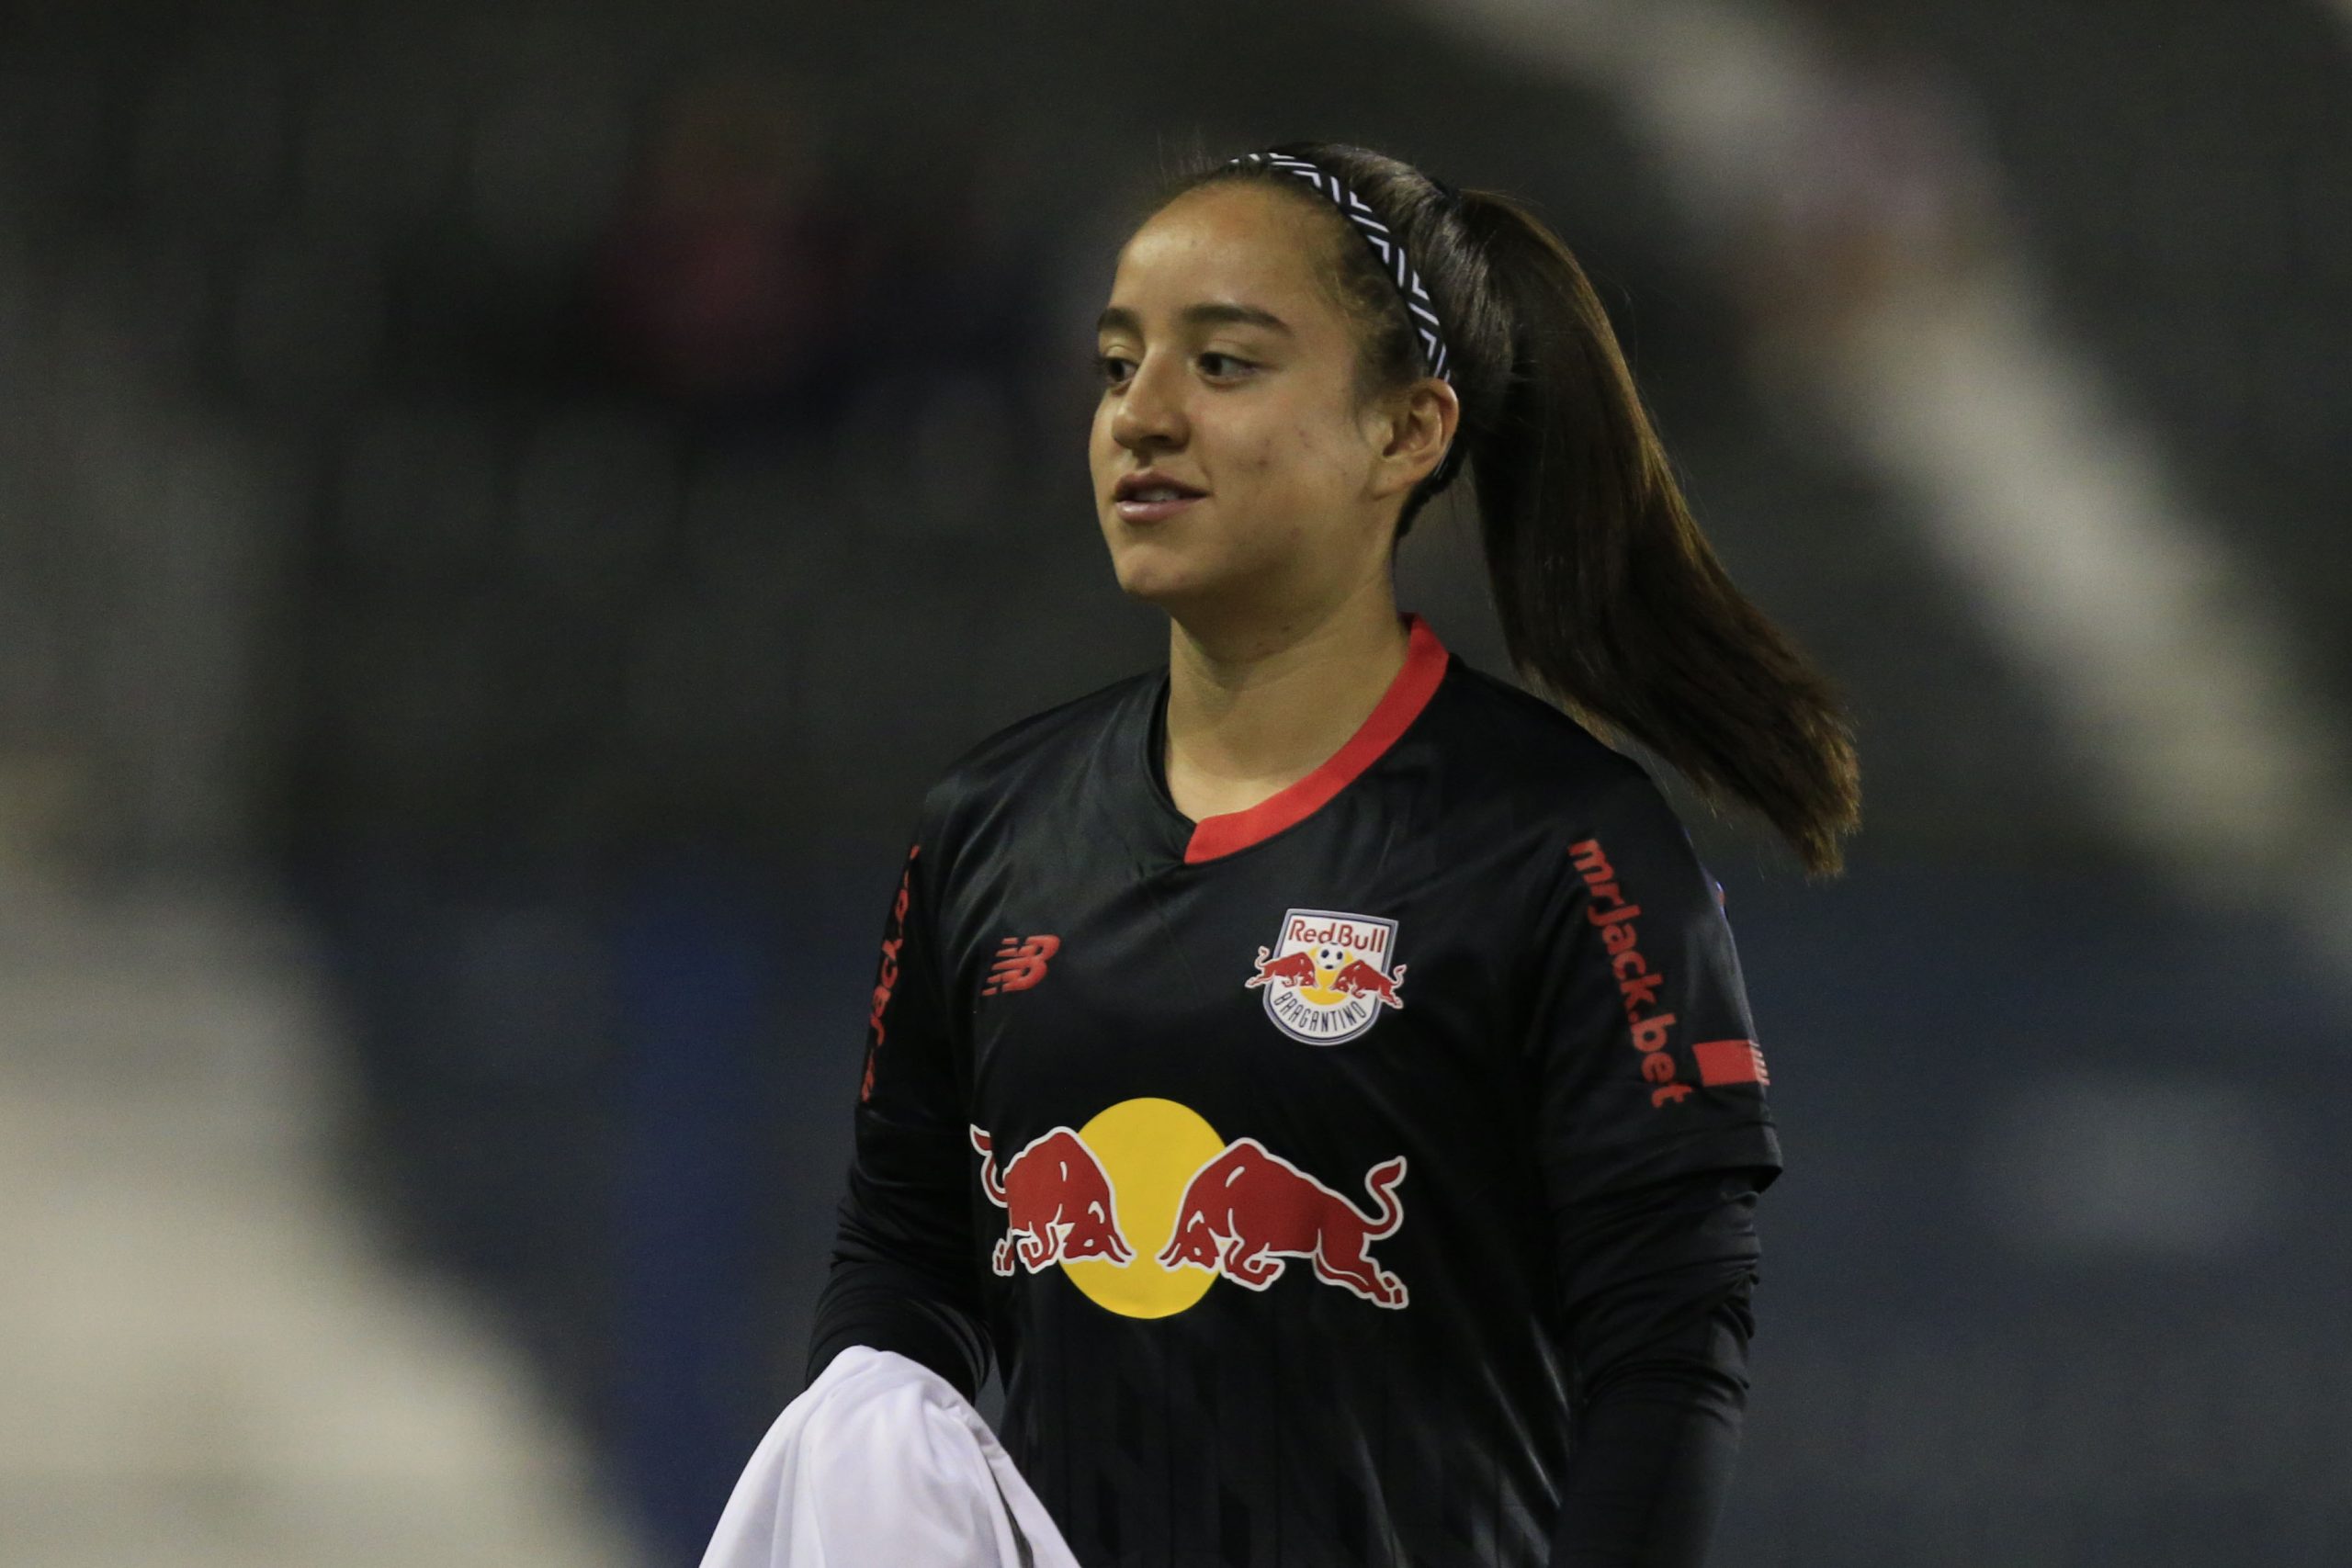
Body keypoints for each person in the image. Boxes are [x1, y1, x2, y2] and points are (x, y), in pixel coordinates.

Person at [806, 141, 1860, 1567]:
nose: (1143, 416)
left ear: (1407, 432)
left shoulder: (1567, 847)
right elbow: (904, 1261)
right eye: (1119, 366)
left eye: (1224, 365)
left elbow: (1669, 1344)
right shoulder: (985, 823)